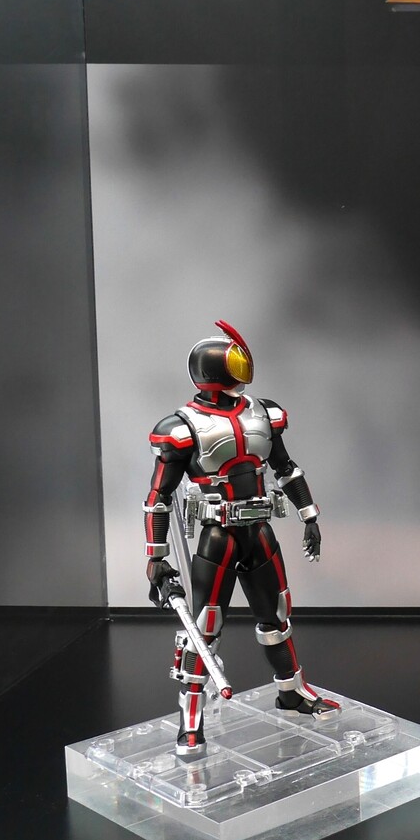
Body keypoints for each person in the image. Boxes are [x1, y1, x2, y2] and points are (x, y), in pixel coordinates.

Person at [143, 321, 337, 756]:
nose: (243, 367)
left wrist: (309, 515)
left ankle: (292, 691)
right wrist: (156, 557)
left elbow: (286, 468)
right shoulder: (181, 428)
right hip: (218, 536)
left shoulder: (263, 414)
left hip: (260, 531)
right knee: (203, 629)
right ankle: (191, 721)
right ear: (214, 370)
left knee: (277, 616)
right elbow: (158, 497)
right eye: (234, 361)